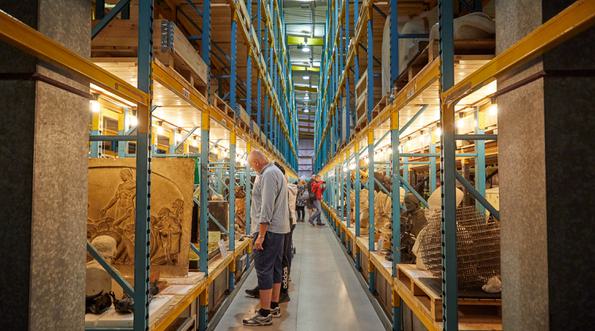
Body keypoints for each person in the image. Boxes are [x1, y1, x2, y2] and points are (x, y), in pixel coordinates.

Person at [242, 151, 290, 326]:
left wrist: (261, 235)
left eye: (251, 165)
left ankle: (264, 313)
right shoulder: (276, 172)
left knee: (264, 270)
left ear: (256, 162)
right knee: (275, 267)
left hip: (269, 231)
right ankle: (274, 305)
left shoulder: (268, 175)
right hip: (279, 230)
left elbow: (266, 206)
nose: (252, 168)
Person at [245, 162, 296, 303]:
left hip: (280, 225)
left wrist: (261, 234)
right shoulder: (279, 181)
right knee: (275, 263)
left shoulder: (276, 180)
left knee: (280, 260)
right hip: (282, 224)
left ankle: (282, 292)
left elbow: (267, 207)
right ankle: (271, 295)